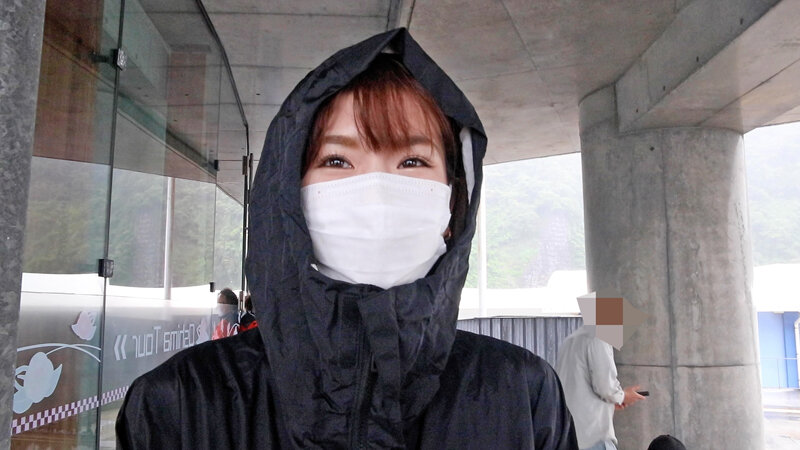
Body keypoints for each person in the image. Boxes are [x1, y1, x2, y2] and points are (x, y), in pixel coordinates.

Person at [116, 28, 578, 449]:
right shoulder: (179, 403)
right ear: (289, 196)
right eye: (337, 161)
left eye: (412, 162)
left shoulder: (524, 394)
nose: (377, 191)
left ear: (452, 204)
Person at [555, 326, 646, 449]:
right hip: (594, 437)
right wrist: (623, 396)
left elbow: (573, 389)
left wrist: (608, 405)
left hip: (569, 437)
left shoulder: (569, 341)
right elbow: (605, 387)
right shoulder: (599, 338)